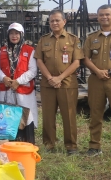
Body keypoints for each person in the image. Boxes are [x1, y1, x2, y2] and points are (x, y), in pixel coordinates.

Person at [35, 10, 83, 154]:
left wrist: (59, 78)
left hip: (67, 84)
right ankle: (49, 145)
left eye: (57, 20)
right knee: (48, 116)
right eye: (51, 21)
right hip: (47, 84)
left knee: (68, 116)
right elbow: (39, 60)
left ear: (64, 21)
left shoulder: (73, 39)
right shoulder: (44, 40)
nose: (54, 23)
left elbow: (76, 62)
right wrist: (50, 78)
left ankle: (71, 146)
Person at [83, 4, 111, 156]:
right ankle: (94, 146)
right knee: (95, 113)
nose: (104, 17)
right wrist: (98, 71)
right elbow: (85, 58)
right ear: (97, 17)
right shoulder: (91, 37)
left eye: (107, 14)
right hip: (96, 80)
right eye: (101, 15)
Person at [0, 23, 38, 144]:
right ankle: (8, 144)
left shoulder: (29, 50)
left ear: (21, 35)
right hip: (6, 88)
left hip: (23, 90)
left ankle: (27, 143)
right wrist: (4, 78)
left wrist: (18, 81)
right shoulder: (3, 50)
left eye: (17, 33)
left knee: (26, 116)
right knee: (7, 116)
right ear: (8, 35)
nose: (14, 36)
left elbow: (33, 70)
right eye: (11, 33)